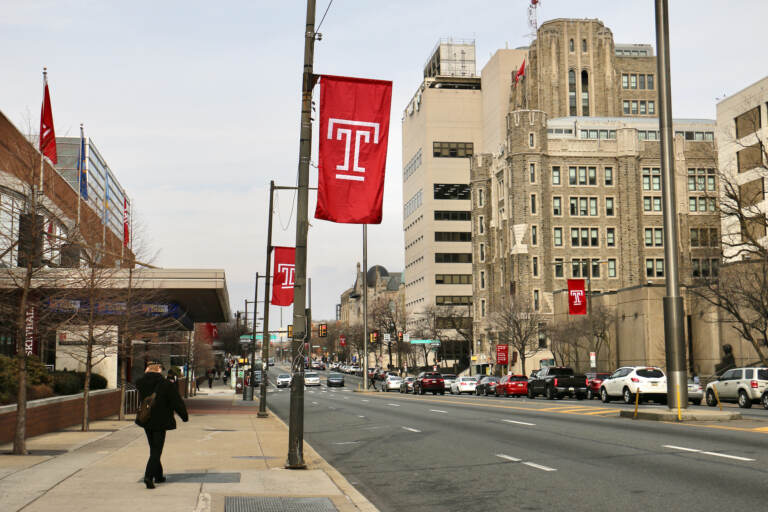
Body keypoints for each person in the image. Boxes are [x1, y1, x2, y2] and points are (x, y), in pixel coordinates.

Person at [135, 361, 188, 489]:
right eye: (161, 368)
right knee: (156, 450)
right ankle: (148, 476)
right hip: (161, 420)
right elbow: (176, 402)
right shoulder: (166, 385)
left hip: (146, 418)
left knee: (153, 448)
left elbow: (142, 380)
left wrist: (147, 372)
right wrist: (184, 416)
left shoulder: (140, 383)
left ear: (148, 369)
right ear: (159, 369)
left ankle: (158, 475)